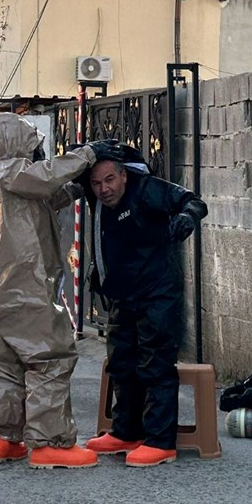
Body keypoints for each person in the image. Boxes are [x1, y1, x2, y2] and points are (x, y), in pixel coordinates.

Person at [0, 112, 102, 468]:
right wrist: (86, 155)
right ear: (19, 144)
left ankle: (0, 440)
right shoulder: (12, 171)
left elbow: (39, 199)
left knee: (8, 365)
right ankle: (51, 444)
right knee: (51, 359)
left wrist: (73, 188)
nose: (38, 152)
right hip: (24, 287)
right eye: (34, 145)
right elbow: (43, 179)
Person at [80, 140, 207, 467]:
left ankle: (160, 441)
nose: (103, 189)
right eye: (96, 183)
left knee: (155, 363)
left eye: (109, 180)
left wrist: (186, 219)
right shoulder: (95, 200)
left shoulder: (147, 189)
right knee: (122, 362)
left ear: (123, 176)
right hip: (123, 293)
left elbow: (193, 201)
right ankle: (126, 431)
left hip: (157, 291)